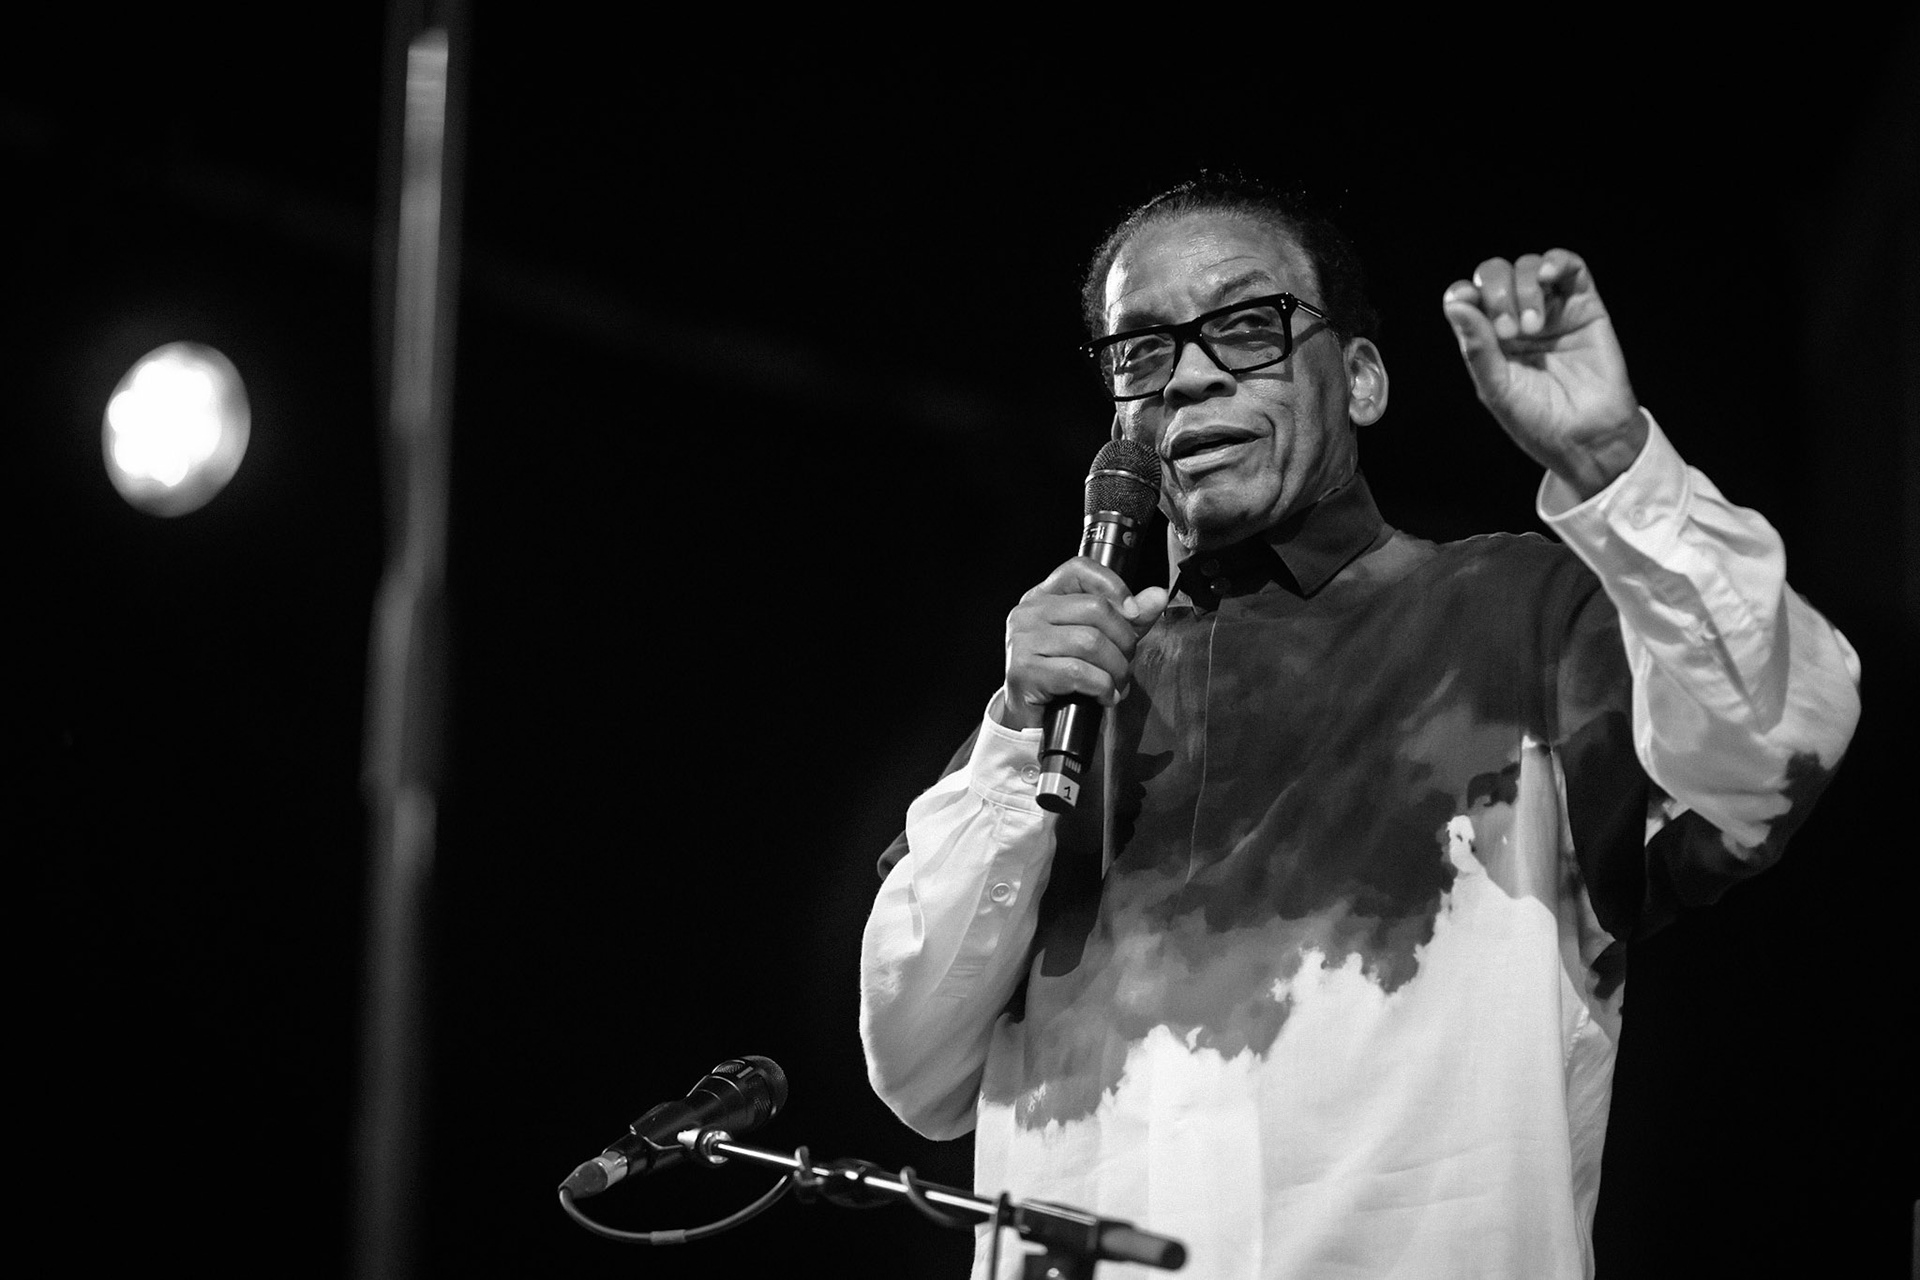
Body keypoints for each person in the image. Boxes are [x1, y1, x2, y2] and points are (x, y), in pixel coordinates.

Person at [857, 173, 1861, 1280]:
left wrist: (1617, 464)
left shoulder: (1516, 617)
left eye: (1245, 325)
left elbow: (1779, 737)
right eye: (1138, 351)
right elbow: (915, 1066)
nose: (1187, 376)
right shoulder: (1056, 711)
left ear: (1364, 379)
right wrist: (1010, 731)